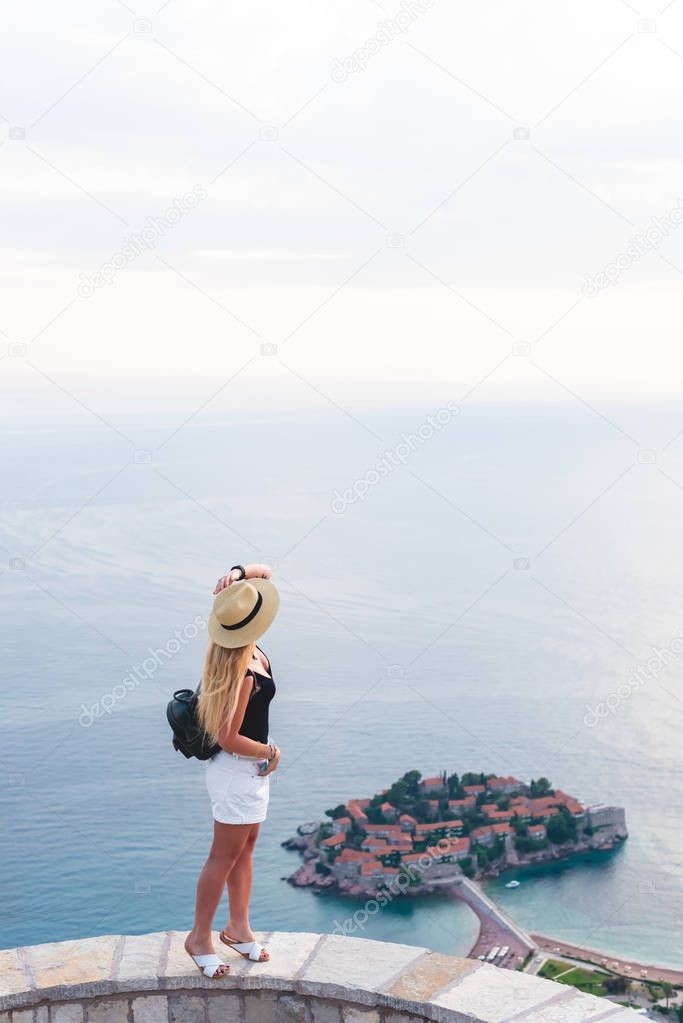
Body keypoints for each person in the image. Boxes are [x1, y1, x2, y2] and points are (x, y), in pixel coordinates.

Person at [185, 563, 280, 978]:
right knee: (222, 856)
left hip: (249, 771)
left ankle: (238, 927)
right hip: (237, 770)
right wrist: (270, 752)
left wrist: (238, 573)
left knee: (246, 846)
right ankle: (199, 937)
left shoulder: (252, 649)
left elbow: (267, 572)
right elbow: (227, 736)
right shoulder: (242, 669)